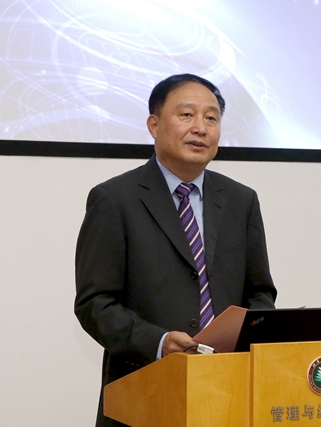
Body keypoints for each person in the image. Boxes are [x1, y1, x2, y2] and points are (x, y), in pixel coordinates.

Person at [74, 73, 277, 427]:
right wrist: (160, 341)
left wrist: (245, 334)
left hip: (229, 392)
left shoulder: (241, 200)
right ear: (154, 125)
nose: (200, 128)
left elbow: (260, 292)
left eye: (211, 118)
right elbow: (95, 304)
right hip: (143, 394)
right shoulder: (114, 199)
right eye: (186, 115)